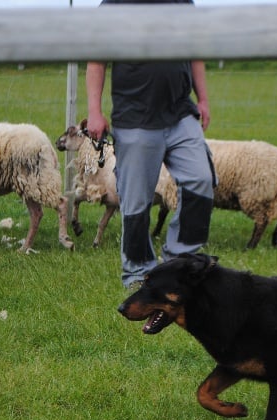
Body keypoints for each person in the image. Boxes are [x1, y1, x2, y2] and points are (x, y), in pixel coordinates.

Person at [86, 0, 215, 289]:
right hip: (135, 119)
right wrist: (94, 111)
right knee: (135, 202)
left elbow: (195, 52)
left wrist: (203, 98)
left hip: (181, 112)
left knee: (201, 180)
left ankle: (178, 261)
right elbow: (96, 60)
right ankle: (137, 272)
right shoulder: (112, 7)